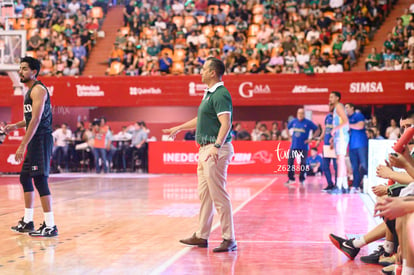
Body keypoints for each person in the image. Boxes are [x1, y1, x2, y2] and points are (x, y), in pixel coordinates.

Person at [163, 57, 237, 253]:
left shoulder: (221, 94)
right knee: (205, 195)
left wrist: (216, 146)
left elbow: (226, 123)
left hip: (215, 150)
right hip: (204, 149)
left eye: (204, 69)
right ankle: (201, 235)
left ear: (213, 73)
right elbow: (200, 119)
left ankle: (229, 238)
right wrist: (179, 127)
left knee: (219, 195)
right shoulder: (209, 94)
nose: (201, 72)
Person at [4, 56, 58, 237]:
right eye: (20, 68)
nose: (20, 71)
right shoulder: (30, 92)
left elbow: (36, 120)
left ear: (34, 72)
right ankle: (28, 221)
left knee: (40, 180)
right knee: (25, 178)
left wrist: (22, 144)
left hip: (41, 138)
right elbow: (29, 119)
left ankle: (50, 225)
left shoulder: (38, 91)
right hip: (35, 138)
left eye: (24, 68)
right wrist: (14, 126)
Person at [285, 108, 318, 184]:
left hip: (304, 146)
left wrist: (311, 139)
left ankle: (302, 179)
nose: (300, 115)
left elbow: (317, 129)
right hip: (294, 146)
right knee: (290, 162)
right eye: (299, 113)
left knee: (303, 163)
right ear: (297, 114)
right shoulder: (293, 121)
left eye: (302, 113)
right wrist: (289, 137)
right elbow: (287, 127)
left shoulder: (308, 122)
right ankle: (291, 179)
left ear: (304, 114)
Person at [345, 103, 368, 194]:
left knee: (364, 165)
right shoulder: (346, 118)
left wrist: (348, 125)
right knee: (354, 167)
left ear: (352, 108)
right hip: (351, 146)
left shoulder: (358, 115)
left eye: (347, 107)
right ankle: (356, 185)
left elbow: (360, 125)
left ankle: (368, 183)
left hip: (361, 145)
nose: (346, 109)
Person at [330, 91, 349, 194]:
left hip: (341, 136)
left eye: (332, 97)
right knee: (341, 161)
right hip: (339, 136)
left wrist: (335, 129)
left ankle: (338, 186)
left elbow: (346, 121)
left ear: (337, 98)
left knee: (340, 161)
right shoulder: (337, 108)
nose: (330, 99)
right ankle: (345, 186)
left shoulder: (339, 107)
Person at [316, 105, 337, 192]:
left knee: (336, 167)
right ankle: (330, 184)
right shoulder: (327, 117)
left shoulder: (338, 117)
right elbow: (325, 129)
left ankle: (337, 185)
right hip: (326, 145)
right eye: (330, 105)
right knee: (325, 166)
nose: (330, 107)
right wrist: (320, 139)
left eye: (332, 105)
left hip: (335, 145)